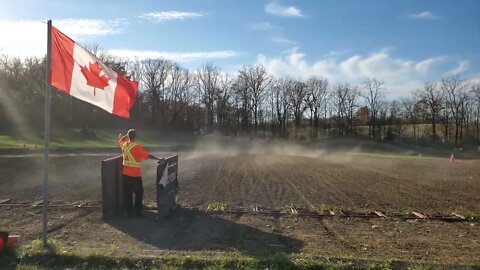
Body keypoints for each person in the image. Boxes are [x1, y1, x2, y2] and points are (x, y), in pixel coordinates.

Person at [118, 129, 163, 218]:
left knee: (127, 195)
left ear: (128, 136)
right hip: (135, 175)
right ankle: (137, 213)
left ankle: (128, 213)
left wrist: (124, 136)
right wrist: (159, 159)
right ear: (135, 137)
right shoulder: (137, 146)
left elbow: (121, 140)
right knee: (139, 194)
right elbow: (147, 155)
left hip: (125, 175)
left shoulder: (124, 145)